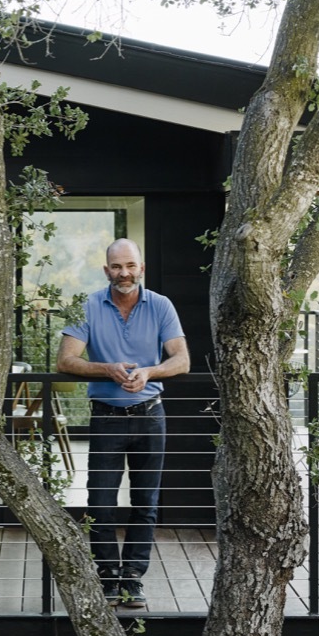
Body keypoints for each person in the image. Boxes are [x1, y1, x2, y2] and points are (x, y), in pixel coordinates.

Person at [57, 239, 190, 610]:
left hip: (151, 415)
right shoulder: (88, 304)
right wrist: (107, 369)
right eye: (116, 267)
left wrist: (150, 372)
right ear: (106, 271)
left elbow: (182, 360)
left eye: (130, 266)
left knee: (145, 501)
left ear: (141, 268)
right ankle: (107, 576)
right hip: (106, 417)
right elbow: (66, 360)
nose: (124, 273)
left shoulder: (161, 305)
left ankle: (132, 577)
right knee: (99, 501)